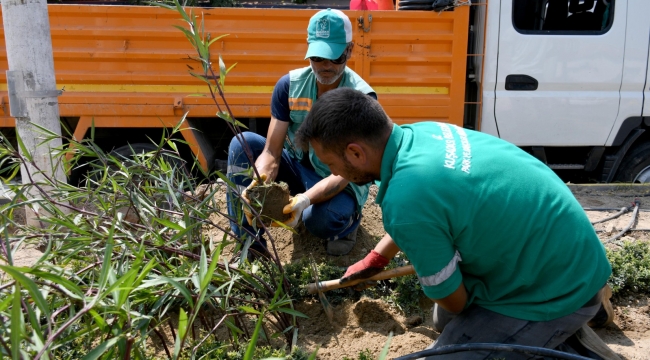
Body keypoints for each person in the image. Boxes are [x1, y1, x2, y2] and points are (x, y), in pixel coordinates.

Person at [294, 87, 614, 359]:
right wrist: (377, 258)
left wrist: (436, 274)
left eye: (332, 164)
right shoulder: (420, 135)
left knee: (449, 346)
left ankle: (569, 332)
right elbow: (426, 211)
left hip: (558, 285)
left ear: (355, 152)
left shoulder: (407, 201)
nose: (334, 173)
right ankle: (577, 308)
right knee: (442, 318)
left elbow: (456, 299)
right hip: (569, 248)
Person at [226, 9, 376, 256]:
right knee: (241, 143)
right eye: (318, 57)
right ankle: (249, 244)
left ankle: (348, 224)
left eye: (335, 57)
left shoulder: (362, 99)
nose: (326, 66)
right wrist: (260, 181)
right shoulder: (289, 86)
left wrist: (305, 200)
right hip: (298, 167)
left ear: (349, 50)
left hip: (340, 178)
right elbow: (272, 151)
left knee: (322, 220)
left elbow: (348, 172)